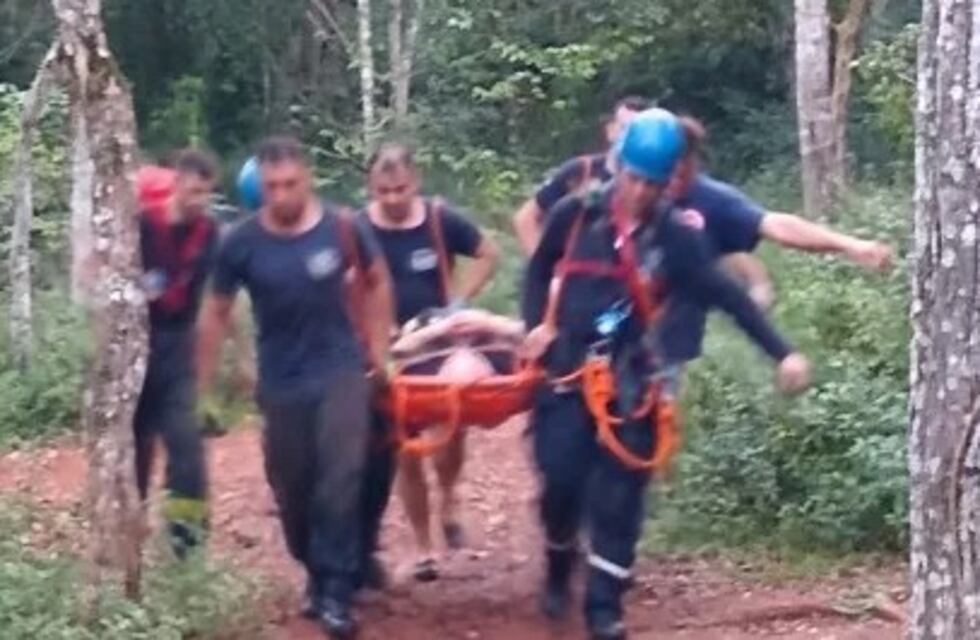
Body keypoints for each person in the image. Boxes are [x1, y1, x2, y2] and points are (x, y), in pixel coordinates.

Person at [521, 110, 811, 640]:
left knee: (621, 493)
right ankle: (560, 562)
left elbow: (726, 295)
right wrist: (535, 326)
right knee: (560, 481)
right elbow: (538, 270)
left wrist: (782, 352)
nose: (639, 191)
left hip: (632, 376)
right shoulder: (575, 215)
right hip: (566, 370)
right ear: (618, 167)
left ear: (667, 181)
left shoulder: (676, 238)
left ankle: (605, 607)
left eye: (652, 183)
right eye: (633, 178)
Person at [197, 136, 394, 639]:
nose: (281, 196)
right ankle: (313, 567)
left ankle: (336, 589)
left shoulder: (343, 227)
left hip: (341, 371)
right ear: (258, 188)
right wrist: (203, 388)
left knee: (340, 478)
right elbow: (216, 313)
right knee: (293, 486)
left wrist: (379, 349)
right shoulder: (239, 242)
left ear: (307, 179)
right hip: (281, 378)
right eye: (271, 188)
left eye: (289, 184)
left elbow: (377, 281)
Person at [652, 116, 893, 385]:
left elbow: (776, 226)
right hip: (612, 340)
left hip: (665, 352)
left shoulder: (712, 201)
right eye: (664, 168)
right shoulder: (632, 190)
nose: (671, 178)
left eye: (680, 169)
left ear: (693, 161)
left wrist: (849, 244)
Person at [361, 143, 500, 582]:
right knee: (404, 446)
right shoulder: (358, 228)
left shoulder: (440, 219)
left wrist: (459, 303)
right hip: (390, 350)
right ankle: (423, 547)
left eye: (400, 189)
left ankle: (449, 496)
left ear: (415, 182)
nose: (393, 199)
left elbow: (488, 254)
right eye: (383, 191)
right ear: (372, 188)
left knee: (450, 435)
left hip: (439, 344)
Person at [134, 150, 220, 558]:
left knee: (187, 451)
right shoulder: (143, 225)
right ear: (176, 185)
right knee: (135, 448)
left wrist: (233, 356)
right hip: (136, 343)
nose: (197, 201)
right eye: (192, 191)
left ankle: (188, 547)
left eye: (205, 193)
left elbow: (217, 301)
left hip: (179, 345)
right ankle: (126, 537)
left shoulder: (210, 233)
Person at [512, 96, 653, 255]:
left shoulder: (650, 185)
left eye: (636, 132)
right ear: (610, 130)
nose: (628, 138)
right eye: (624, 128)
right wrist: (545, 269)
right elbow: (525, 218)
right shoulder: (581, 171)